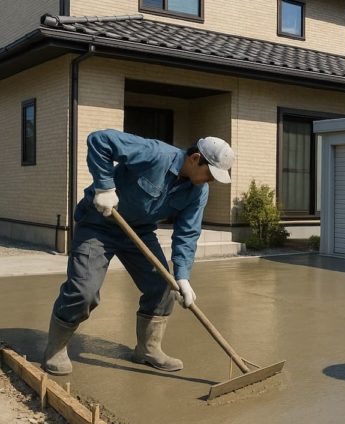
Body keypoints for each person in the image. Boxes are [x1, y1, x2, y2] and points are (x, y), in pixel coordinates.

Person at [42, 129, 235, 376]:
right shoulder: (155, 153)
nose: (210, 181)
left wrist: (183, 276)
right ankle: (55, 349)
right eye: (210, 174)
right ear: (195, 158)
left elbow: (187, 233)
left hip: (139, 232)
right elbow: (99, 140)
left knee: (165, 286)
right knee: (84, 291)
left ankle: (148, 350)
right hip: (98, 225)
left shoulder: (198, 192)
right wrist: (104, 187)